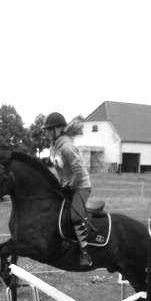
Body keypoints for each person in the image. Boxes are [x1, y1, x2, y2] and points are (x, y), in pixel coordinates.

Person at [44, 111, 93, 266]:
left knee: (75, 216)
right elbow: (60, 170)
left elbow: (78, 171)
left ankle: (85, 252)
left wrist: (70, 185)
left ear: (57, 130)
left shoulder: (67, 147)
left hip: (81, 186)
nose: (46, 132)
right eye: (45, 129)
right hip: (68, 186)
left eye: (48, 129)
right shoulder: (54, 148)